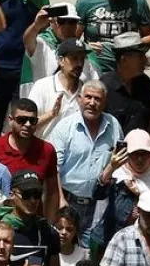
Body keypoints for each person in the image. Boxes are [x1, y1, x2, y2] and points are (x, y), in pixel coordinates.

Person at [50, 81, 123, 245]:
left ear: (105, 102)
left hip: (99, 206)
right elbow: (54, 167)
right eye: (88, 97)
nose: (92, 103)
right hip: (68, 202)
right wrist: (61, 201)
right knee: (62, 251)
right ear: (79, 99)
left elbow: (119, 162)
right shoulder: (65, 127)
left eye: (97, 99)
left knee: (89, 254)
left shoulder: (113, 126)